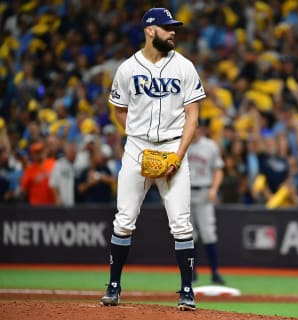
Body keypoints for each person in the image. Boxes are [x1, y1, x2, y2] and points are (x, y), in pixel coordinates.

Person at [100, 8, 205, 311]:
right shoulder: (127, 69)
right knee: (124, 219)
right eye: (167, 27)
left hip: (173, 147)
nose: (173, 32)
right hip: (137, 149)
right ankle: (114, 286)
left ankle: (187, 290)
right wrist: (136, 137)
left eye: (174, 28)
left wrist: (177, 155)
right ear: (150, 30)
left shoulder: (184, 67)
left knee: (181, 224)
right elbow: (119, 109)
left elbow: (193, 116)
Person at [187, 119, 226, 285]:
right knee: (188, 234)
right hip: (186, 192)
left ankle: (215, 273)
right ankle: (191, 273)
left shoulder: (209, 145)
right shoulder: (180, 143)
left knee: (208, 232)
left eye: (196, 127)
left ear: (201, 128)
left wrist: (214, 189)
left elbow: (218, 170)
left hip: (204, 191)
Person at [49, 141, 78, 207]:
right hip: (63, 204)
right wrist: (57, 198)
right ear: (66, 152)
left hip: (78, 204)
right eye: (71, 151)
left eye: (74, 152)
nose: (72, 153)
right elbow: (53, 183)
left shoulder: (79, 164)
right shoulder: (59, 164)